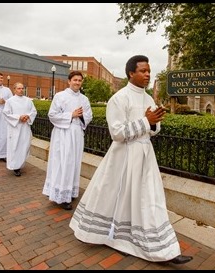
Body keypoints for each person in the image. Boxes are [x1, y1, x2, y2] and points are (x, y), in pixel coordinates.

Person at [69, 55, 193, 265]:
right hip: (123, 158)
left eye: (149, 71)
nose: (147, 75)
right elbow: (116, 133)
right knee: (118, 196)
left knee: (149, 199)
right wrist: (146, 121)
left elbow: (153, 130)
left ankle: (163, 249)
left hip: (145, 156)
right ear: (130, 73)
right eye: (143, 71)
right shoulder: (119, 98)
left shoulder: (149, 99)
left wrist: (153, 124)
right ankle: (111, 234)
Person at [42, 71, 93, 210]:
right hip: (62, 134)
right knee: (62, 162)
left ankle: (70, 191)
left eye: (79, 80)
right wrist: (71, 114)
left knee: (73, 163)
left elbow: (89, 115)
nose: (77, 82)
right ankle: (61, 194)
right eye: (75, 80)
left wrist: (81, 117)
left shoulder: (84, 99)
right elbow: (52, 115)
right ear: (69, 81)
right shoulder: (60, 96)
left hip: (76, 134)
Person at [2, 82, 37, 176]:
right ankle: (15, 166)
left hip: (25, 127)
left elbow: (33, 111)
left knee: (24, 146)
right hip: (15, 128)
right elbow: (6, 113)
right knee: (15, 146)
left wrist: (27, 116)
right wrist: (18, 117)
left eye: (22, 88)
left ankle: (20, 164)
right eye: (19, 88)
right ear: (14, 89)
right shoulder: (10, 101)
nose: (21, 90)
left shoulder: (28, 100)